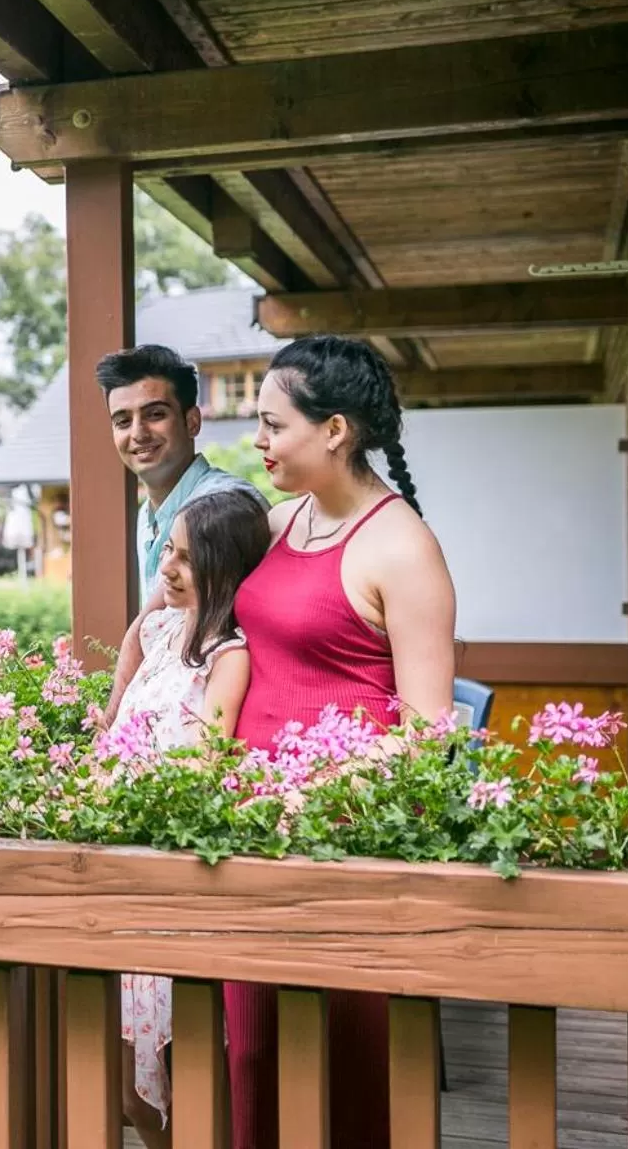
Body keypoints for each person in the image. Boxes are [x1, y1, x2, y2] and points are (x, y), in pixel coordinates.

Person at [222, 335, 457, 1149]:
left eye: (270, 423)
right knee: (251, 1056)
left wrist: (317, 790)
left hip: (342, 841)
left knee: (351, 1061)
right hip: (246, 836)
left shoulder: (404, 547)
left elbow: (428, 734)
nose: (258, 441)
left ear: (334, 431)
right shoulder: (280, 522)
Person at [103, 489, 271, 1149]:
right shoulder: (155, 630)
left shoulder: (230, 655)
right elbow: (113, 727)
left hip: (173, 874)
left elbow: (209, 761)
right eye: (166, 550)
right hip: (122, 865)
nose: (167, 567)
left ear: (225, 566)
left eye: (186, 557)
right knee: (130, 1093)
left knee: (185, 1076)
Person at [96, 345, 266, 605]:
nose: (138, 433)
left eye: (155, 415)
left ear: (192, 422)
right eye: (123, 421)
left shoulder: (228, 503)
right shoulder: (146, 517)